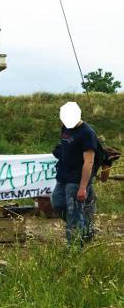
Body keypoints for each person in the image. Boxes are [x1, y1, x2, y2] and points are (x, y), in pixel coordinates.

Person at [51, 102, 98, 245]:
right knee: (57, 203)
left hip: (76, 180)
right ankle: (86, 227)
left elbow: (89, 162)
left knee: (74, 213)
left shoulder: (87, 133)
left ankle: (74, 247)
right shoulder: (66, 127)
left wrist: (83, 187)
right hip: (63, 176)